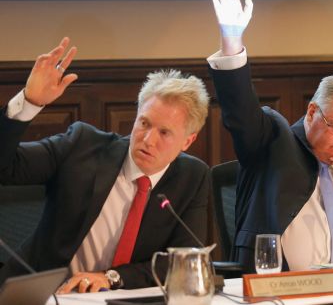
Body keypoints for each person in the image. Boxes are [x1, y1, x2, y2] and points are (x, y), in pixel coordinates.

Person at [207, 0, 333, 272]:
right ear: (312, 113)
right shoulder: (272, 141)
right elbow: (241, 113)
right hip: (281, 289)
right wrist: (232, 44)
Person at [0, 37, 211, 292]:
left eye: (164, 133)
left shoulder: (193, 176)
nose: (148, 139)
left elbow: (181, 261)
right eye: (144, 123)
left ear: (188, 141)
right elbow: (5, 166)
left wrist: (111, 277)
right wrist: (29, 103)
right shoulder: (81, 146)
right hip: (40, 295)